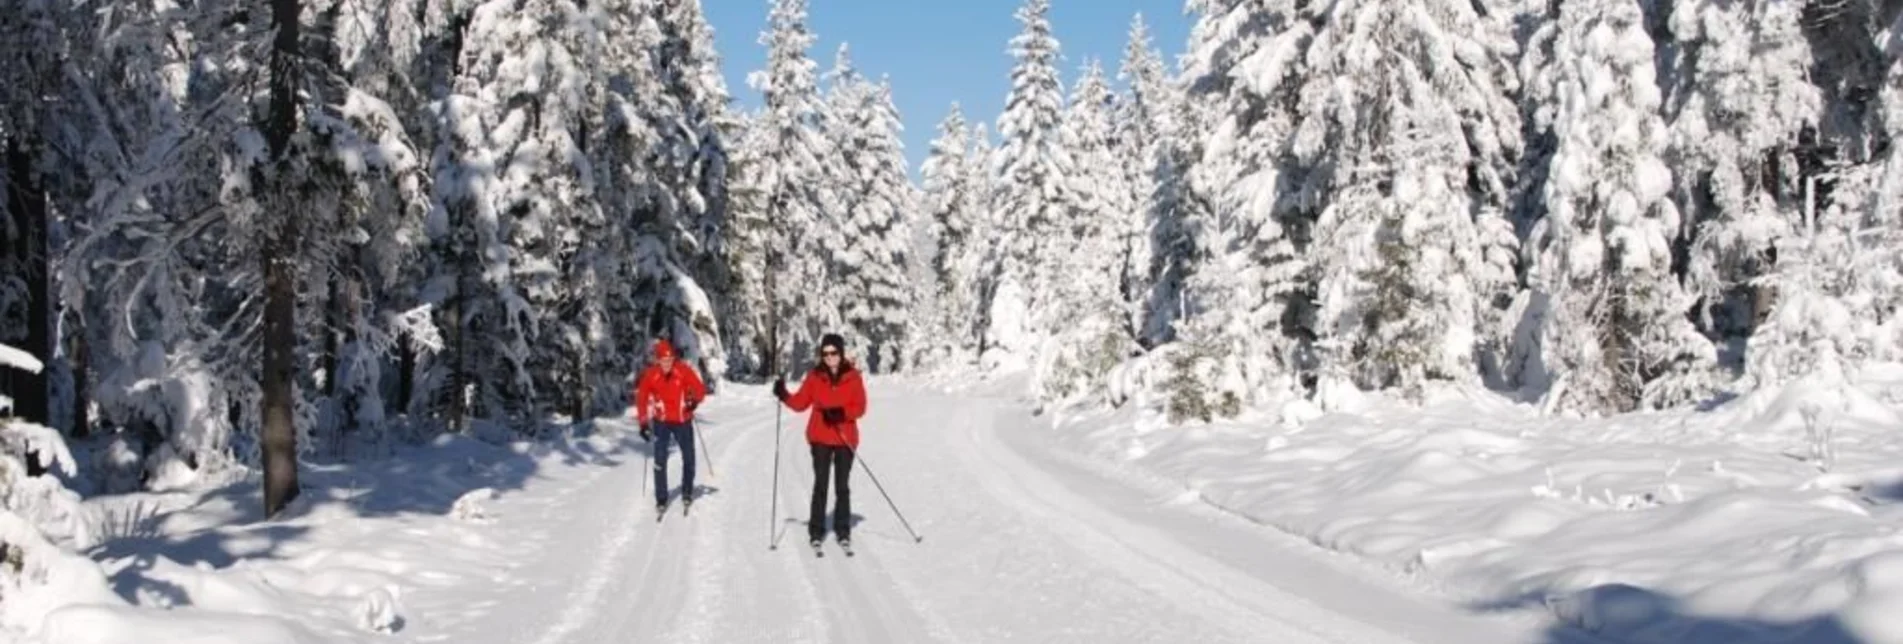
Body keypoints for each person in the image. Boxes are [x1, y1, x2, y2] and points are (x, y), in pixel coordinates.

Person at [773, 333, 867, 548]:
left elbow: (860, 407)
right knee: (821, 485)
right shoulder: (815, 377)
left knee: (842, 486)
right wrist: (784, 394)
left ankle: (843, 530)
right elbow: (800, 403)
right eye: (825, 353)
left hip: (845, 439)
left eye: (834, 352)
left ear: (841, 353)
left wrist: (841, 413)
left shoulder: (853, 377)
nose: (829, 357)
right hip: (821, 438)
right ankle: (816, 530)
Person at [634, 339, 707, 514]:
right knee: (659, 460)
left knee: (688, 457)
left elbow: (700, 389)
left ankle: (687, 491)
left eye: (670, 360)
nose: (667, 364)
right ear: (658, 360)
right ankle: (661, 498)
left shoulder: (682, 370)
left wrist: (693, 403)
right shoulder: (651, 375)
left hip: (683, 420)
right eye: (663, 360)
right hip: (662, 421)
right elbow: (642, 398)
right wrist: (643, 423)